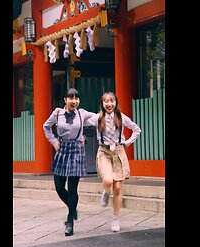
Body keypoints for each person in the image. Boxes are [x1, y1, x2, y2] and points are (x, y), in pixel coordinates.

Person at [42, 88, 98, 236]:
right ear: (65, 100)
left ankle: (70, 222)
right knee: (59, 187)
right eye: (71, 98)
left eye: (76, 98)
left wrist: (112, 114)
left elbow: (99, 117)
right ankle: (73, 209)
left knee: (72, 188)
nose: (74, 101)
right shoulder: (57, 113)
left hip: (76, 151)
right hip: (62, 149)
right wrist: (53, 141)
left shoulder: (82, 113)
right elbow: (46, 126)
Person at [96, 92, 141, 232]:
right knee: (108, 181)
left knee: (118, 188)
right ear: (102, 104)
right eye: (106, 101)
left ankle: (115, 219)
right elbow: (82, 118)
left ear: (115, 102)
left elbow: (136, 129)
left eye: (112, 101)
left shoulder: (121, 117)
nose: (109, 104)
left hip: (118, 152)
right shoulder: (97, 117)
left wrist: (127, 143)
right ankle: (105, 191)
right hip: (104, 152)